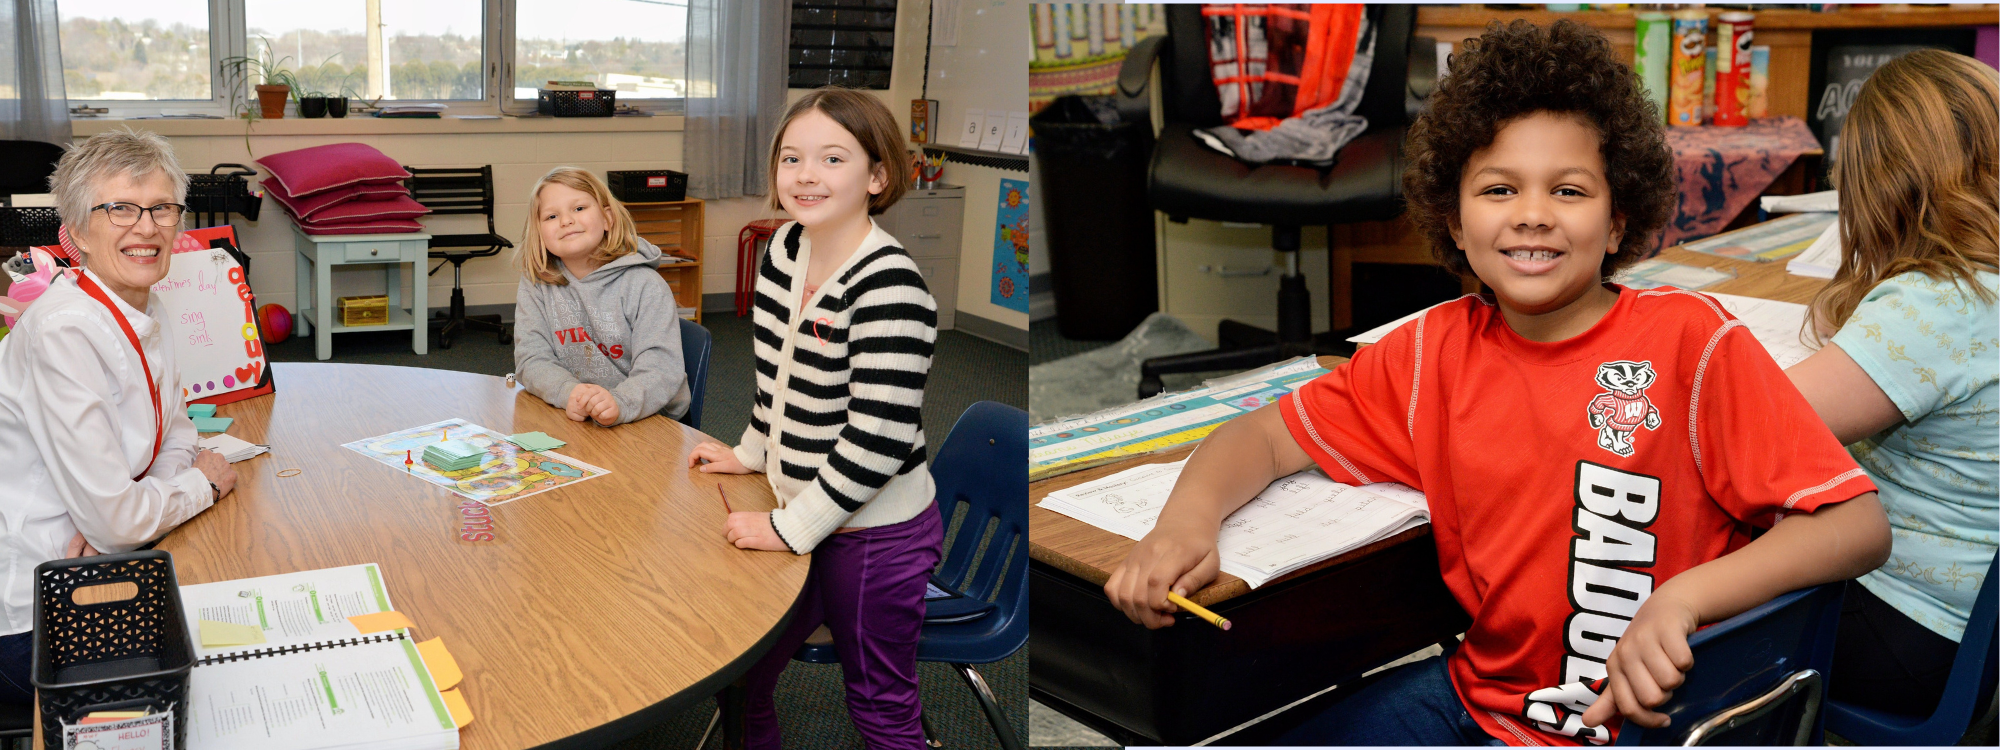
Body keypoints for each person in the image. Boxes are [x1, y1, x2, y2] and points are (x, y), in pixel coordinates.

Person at [1104, 20, 1893, 746]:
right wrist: (1185, 524)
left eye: (1570, 190)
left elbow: (1857, 525)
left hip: (1651, 724)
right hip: (1483, 706)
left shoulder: (1691, 343)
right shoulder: (1428, 357)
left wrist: (1682, 600)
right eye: (1499, 189)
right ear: (1454, 219)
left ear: (1619, 220)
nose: (1533, 215)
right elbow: (1265, 435)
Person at [685, 87, 940, 749]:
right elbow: (778, 381)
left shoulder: (891, 285)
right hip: (798, 507)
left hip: (875, 532)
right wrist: (749, 453)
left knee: (879, 706)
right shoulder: (783, 253)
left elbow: (876, 443)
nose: (805, 174)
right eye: (791, 157)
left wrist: (788, 527)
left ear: (876, 176)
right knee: (740, 673)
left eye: (832, 158)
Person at [1783, 50, 1998, 718]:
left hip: (1907, 631)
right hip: (1973, 633)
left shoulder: (1941, 303)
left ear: (1879, 183)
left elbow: (1757, 423)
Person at [0, 127, 238, 702]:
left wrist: (116, 520)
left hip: (92, 571)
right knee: (220, 672)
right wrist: (201, 484)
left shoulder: (145, 306)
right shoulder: (64, 330)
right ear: (75, 231)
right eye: (119, 209)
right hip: (34, 615)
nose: (146, 226)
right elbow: (152, 494)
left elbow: (174, 437)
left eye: (161, 208)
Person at [512, 166, 689, 425]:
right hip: (573, 412)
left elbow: (661, 369)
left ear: (607, 219)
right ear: (538, 232)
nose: (566, 221)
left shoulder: (644, 285)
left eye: (579, 208)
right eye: (551, 216)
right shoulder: (536, 282)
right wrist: (568, 392)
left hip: (646, 418)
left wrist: (620, 402)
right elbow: (531, 359)